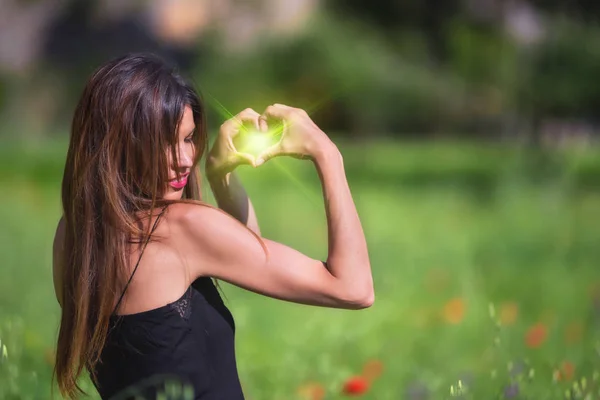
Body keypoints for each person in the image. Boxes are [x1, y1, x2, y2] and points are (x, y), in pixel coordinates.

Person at [52, 53, 373, 400]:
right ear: (119, 144)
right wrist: (327, 154)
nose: (185, 159)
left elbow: (243, 252)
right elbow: (353, 289)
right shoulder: (180, 229)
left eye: (189, 139)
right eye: (162, 142)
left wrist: (220, 175)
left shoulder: (73, 236)